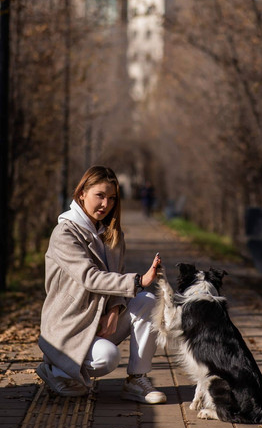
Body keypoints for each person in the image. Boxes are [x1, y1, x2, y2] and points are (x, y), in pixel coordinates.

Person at [36, 166, 166, 404]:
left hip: (100, 319)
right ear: (82, 193)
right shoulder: (64, 233)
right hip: (71, 325)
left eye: (112, 198)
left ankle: (137, 379)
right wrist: (139, 281)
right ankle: (56, 367)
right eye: (100, 195)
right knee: (108, 357)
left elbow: (117, 276)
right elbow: (90, 277)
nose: (106, 204)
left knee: (148, 301)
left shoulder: (113, 234)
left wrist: (115, 310)